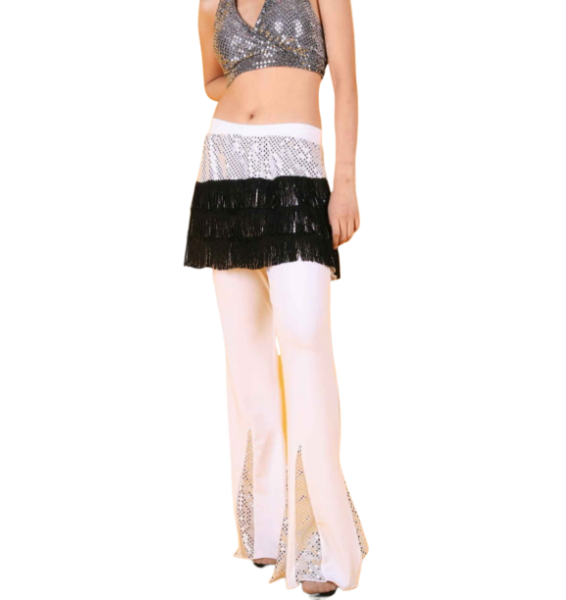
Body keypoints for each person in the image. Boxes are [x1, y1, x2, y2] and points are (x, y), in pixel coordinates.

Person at [183, 2, 367, 598]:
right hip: (225, 167)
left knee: (305, 340)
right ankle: (264, 528)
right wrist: (249, 94)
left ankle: (322, 547)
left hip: (297, 165)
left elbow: (346, 81)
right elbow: (213, 80)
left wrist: (345, 181)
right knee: (247, 356)